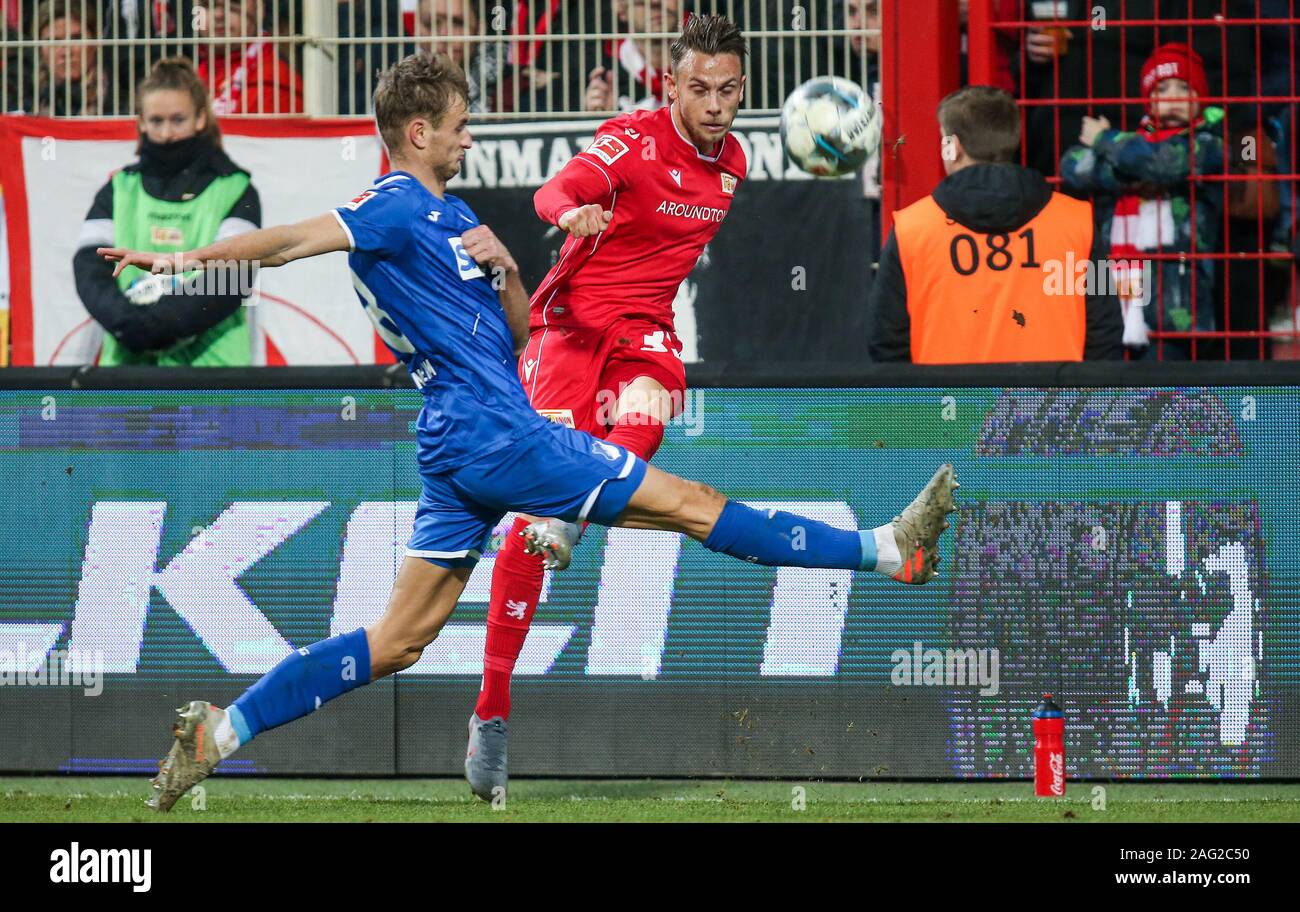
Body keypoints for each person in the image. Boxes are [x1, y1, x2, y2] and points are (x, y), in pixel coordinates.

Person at [98, 52, 957, 812]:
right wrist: (184, 260)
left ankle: (224, 729)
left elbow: (514, 333)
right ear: (420, 130)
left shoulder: (450, 215)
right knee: (694, 506)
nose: (470, 139)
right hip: (499, 434)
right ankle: (887, 551)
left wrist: (508, 266)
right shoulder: (393, 204)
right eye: (462, 127)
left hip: (455, 441)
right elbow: (289, 242)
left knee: (397, 640)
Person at [466, 12, 750, 801]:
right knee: (525, 533)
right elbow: (553, 190)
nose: (715, 104)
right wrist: (571, 214)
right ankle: (491, 710)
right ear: (672, 85)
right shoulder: (632, 138)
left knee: (653, 403)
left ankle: (572, 513)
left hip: (643, 332)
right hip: (569, 326)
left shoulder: (736, 164)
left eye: (728, 90)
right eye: (700, 88)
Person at [867, 85, 1122, 363]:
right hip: (1049, 402)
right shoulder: (1076, 222)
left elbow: (886, 341)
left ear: (955, 147)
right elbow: (1104, 332)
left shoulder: (912, 229)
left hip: (946, 404)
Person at [73, 57, 261, 365]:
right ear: (142, 122)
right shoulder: (118, 188)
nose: (166, 133)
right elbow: (89, 269)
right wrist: (128, 325)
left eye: (178, 119)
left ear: (201, 118)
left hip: (212, 376)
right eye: (157, 121)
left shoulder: (237, 188)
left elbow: (232, 278)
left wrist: (150, 329)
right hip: (129, 370)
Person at [1059, 43, 1226, 359]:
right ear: (1149, 100)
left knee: (1162, 401)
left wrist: (1103, 141)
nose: (1173, 96)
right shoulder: (1129, 147)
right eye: (1162, 88)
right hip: (1113, 303)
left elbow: (1167, 162)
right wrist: (1135, 161)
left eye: (1184, 87)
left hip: (1174, 310)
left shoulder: (1209, 146)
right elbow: (1072, 165)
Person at [196, 0, 302, 114]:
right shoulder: (196, 73)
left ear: (259, 9)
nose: (218, 14)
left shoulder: (274, 82)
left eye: (234, 3)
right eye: (206, 5)